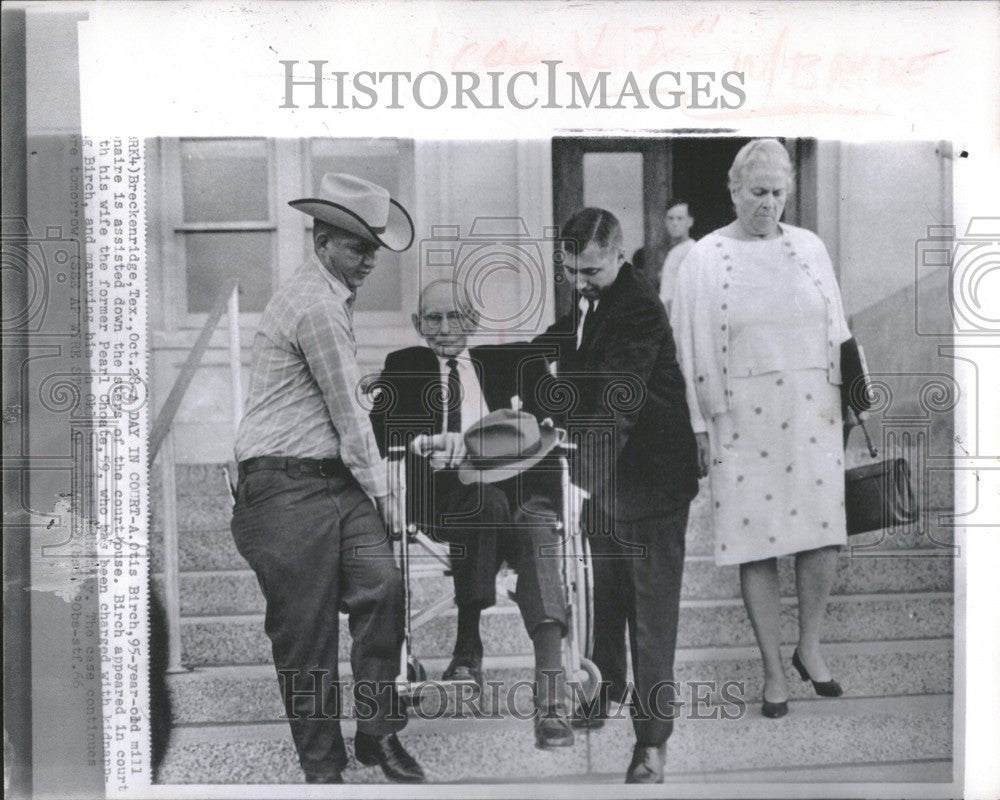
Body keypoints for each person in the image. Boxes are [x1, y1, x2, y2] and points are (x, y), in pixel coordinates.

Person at [230, 173, 424, 784]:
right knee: (306, 637)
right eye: (357, 245)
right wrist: (388, 495)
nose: (369, 259)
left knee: (381, 588)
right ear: (323, 241)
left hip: (330, 481)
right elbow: (347, 411)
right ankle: (323, 772)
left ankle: (377, 732)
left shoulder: (327, 297)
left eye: (373, 247)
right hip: (283, 489)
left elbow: (340, 410)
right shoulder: (316, 304)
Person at [671, 139, 851, 720]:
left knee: (823, 533)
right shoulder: (704, 256)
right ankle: (773, 670)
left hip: (812, 407)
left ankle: (810, 646)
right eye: (757, 193)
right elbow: (688, 342)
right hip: (740, 418)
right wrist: (699, 425)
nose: (768, 204)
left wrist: (850, 399)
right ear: (732, 190)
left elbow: (839, 326)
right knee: (758, 544)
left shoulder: (809, 247)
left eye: (777, 193)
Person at [369, 279, 574, 749]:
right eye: (434, 319)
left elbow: (553, 425)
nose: (445, 328)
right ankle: (468, 643)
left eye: (455, 317)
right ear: (419, 325)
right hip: (448, 499)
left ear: (474, 321)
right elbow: (380, 437)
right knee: (486, 502)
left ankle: (551, 704)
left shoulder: (513, 362)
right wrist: (421, 444)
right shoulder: (402, 368)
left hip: (523, 493)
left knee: (536, 536)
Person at [533, 208, 700, 783]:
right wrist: (514, 368)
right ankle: (602, 695)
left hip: (651, 483)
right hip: (609, 480)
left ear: (620, 257)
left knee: (650, 618)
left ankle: (652, 743)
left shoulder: (639, 308)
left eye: (592, 272)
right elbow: (565, 345)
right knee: (604, 602)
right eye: (572, 272)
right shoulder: (593, 299)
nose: (581, 283)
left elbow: (618, 408)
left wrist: (579, 484)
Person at [658, 198, 696, 314]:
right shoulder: (673, 251)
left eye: (680, 219)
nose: (674, 223)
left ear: (689, 222)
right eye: (671, 218)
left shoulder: (692, 250)